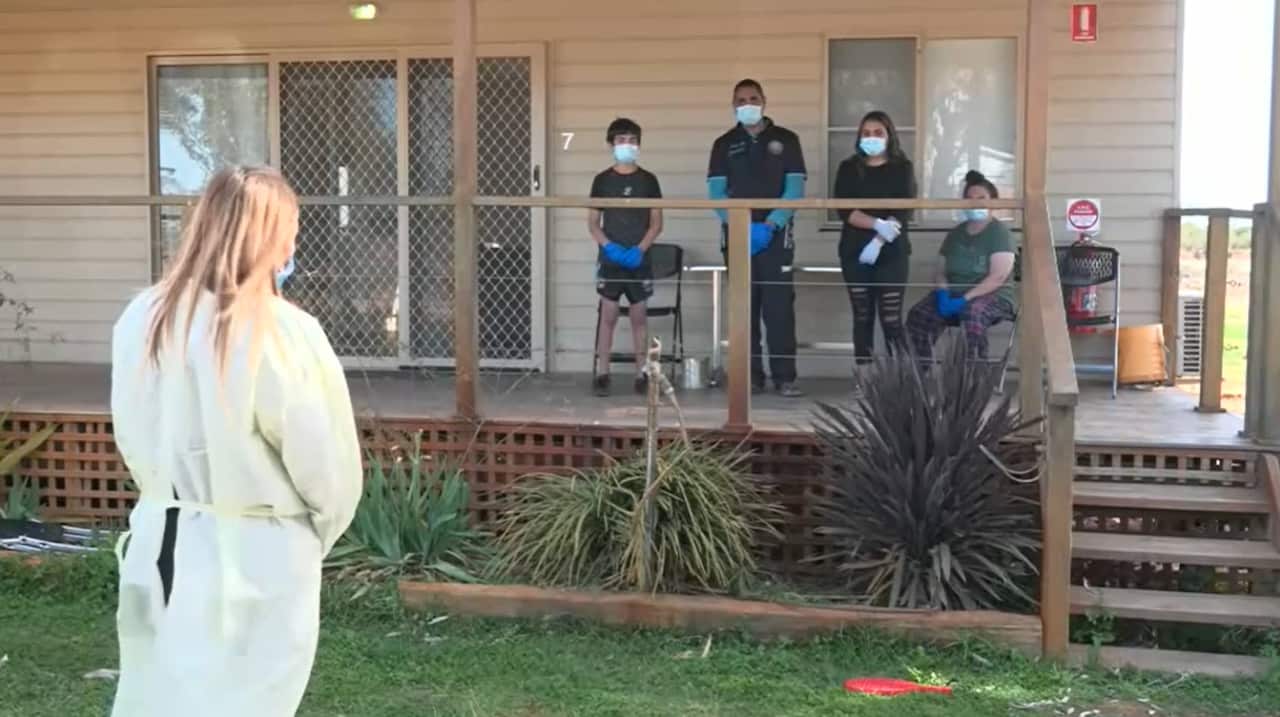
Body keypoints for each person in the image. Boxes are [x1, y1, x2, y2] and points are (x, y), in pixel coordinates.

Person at [109, 166, 363, 716]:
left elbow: (130, 432)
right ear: (272, 237)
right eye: (291, 231)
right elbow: (325, 464)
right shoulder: (282, 332)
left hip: (160, 541)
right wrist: (310, 534)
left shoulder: (141, 319)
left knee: (157, 698)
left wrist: (165, 492)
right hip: (258, 552)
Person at [707, 78, 806, 397]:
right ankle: (749, 378)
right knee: (743, 310)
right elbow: (716, 193)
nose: (746, 104)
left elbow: (794, 190)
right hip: (737, 238)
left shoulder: (787, 140)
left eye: (752, 98)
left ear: (764, 100)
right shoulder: (723, 144)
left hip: (776, 238)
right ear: (732, 105)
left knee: (778, 309)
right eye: (740, 100)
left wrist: (772, 225)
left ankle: (785, 377)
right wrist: (740, 227)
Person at [832, 110, 917, 369]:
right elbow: (844, 209)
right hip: (854, 252)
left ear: (889, 136)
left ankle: (904, 380)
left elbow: (902, 211)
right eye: (866, 133)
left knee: (891, 319)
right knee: (862, 316)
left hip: (892, 252)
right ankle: (866, 381)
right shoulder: (848, 169)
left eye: (878, 133)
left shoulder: (902, 168)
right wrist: (876, 224)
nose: (872, 138)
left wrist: (879, 240)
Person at [906, 169, 1017, 361]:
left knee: (972, 314)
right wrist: (942, 293)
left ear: (993, 202)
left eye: (981, 197)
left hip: (992, 296)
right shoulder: (955, 234)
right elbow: (941, 270)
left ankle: (973, 381)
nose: (975, 202)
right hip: (953, 293)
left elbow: (997, 277)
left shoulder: (1000, 234)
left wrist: (964, 299)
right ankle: (915, 376)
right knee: (919, 315)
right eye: (970, 198)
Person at [589, 117, 664, 396]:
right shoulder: (602, 180)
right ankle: (602, 372)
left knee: (638, 316)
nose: (627, 145)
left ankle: (642, 373)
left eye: (632, 140)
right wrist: (609, 247)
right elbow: (593, 223)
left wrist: (640, 249)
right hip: (610, 258)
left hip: (638, 258)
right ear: (611, 144)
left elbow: (656, 222)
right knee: (607, 314)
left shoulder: (649, 180)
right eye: (621, 140)